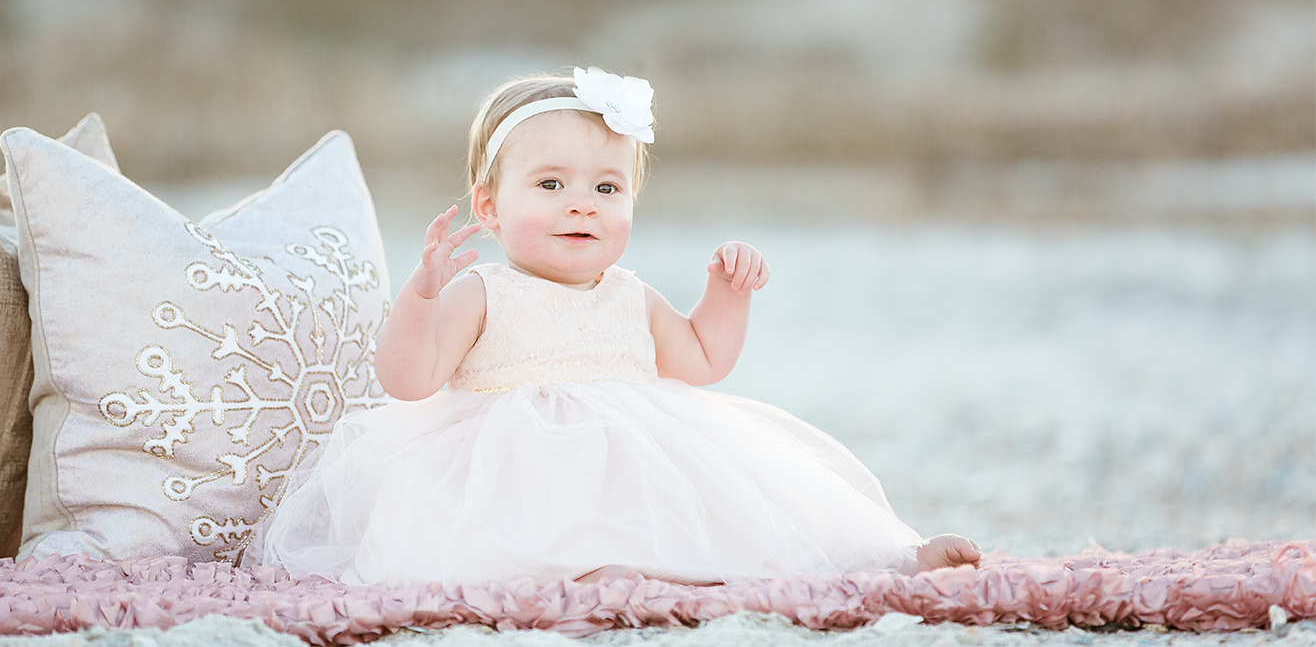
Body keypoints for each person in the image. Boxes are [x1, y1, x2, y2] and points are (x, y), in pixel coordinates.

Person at [260, 67, 980, 587]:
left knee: (754, 519)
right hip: (510, 472)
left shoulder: (630, 295)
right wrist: (421, 296)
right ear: (488, 206)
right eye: (551, 184)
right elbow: (408, 380)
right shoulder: (483, 290)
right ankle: (596, 573)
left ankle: (892, 563)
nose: (583, 204)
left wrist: (726, 296)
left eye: (607, 187)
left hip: (640, 460)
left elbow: (700, 361)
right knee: (517, 549)